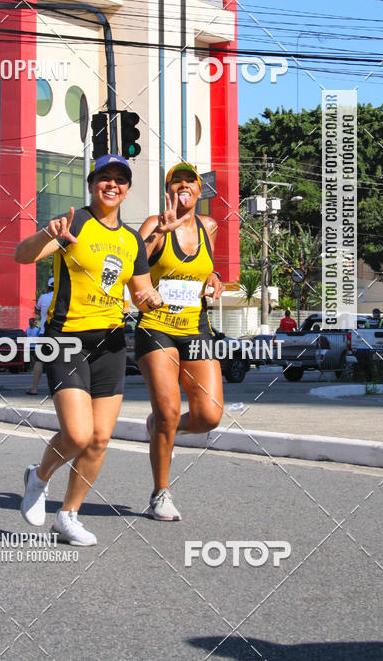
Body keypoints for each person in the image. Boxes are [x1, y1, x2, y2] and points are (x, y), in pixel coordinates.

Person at [14, 154, 162, 546]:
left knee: (99, 440)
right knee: (77, 435)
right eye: (105, 178)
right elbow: (21, 256)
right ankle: (39, 477)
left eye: (120, 179)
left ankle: (68, 516)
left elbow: (140, 290)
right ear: (92, 183)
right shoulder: (74, 222)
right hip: (65, 340)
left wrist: (151, 298)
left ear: (127, 189)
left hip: (111, 345)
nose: (112, 185)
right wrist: (49, 235)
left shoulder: (131, 240)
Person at [136, 162, 224, 521]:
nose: (183, 186)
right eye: (176, 182)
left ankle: (159, 426)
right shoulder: (153, 223)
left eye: (190, 181)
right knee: (169, 410)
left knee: (209, 415)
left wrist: (216, 276)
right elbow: (131, 262)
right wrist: (159, 232)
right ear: (168, 190)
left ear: (199, 191)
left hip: (196, 326)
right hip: (156, 326)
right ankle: (161, 493)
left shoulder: (209, 227)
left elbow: (206, 267)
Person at [27, 281, 54, 394]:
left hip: (44, 333)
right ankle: (59, 390)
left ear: (48, 287)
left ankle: (34, 389)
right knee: (63, 362)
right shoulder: (63, 295)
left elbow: (36, 310)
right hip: (61, 333)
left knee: (39, 361)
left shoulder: (43, 297)